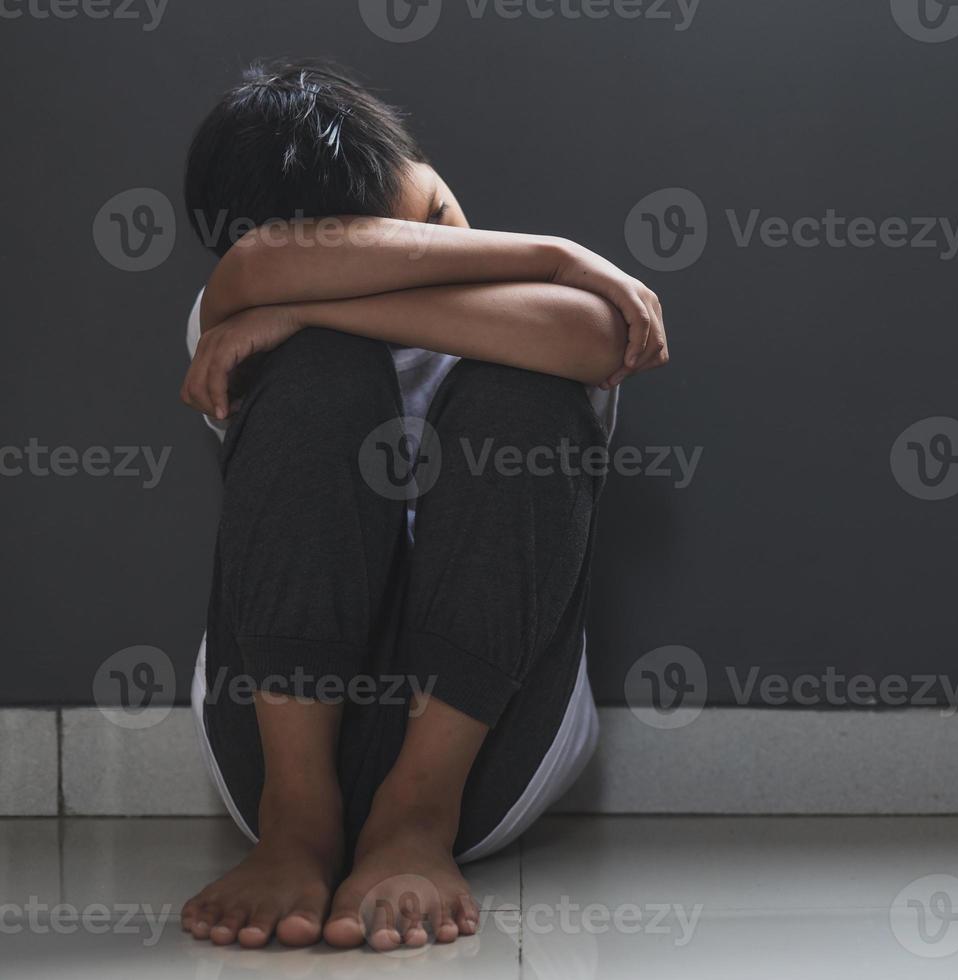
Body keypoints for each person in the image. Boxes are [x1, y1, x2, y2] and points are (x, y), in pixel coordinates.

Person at [174, 58, 668, 952]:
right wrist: (559, 252)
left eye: (433, 223)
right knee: (317, 380)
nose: (434, 252)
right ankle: (299, 824)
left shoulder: (279, 317)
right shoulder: (237, 318)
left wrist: (318, 309)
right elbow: (255, 264)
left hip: (485, 753)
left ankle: (414, 817)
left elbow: (595, 338)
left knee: (524, 395)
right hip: (273, 750)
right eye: (377, 251)